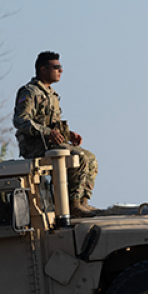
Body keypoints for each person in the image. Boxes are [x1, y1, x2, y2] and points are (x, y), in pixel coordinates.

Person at [13, 51, 99, 217]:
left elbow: (51, 124)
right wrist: (47, 133)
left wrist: (69, 134)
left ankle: (82, 202)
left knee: (91, 158)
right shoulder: (30, 92)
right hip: (36, 146)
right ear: (43, 70)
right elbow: (21, 121)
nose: (61, 71)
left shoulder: (51, 94)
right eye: (56, 67)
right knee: (78, 158)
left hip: (52, 144)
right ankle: (72, 205)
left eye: (61, 67)